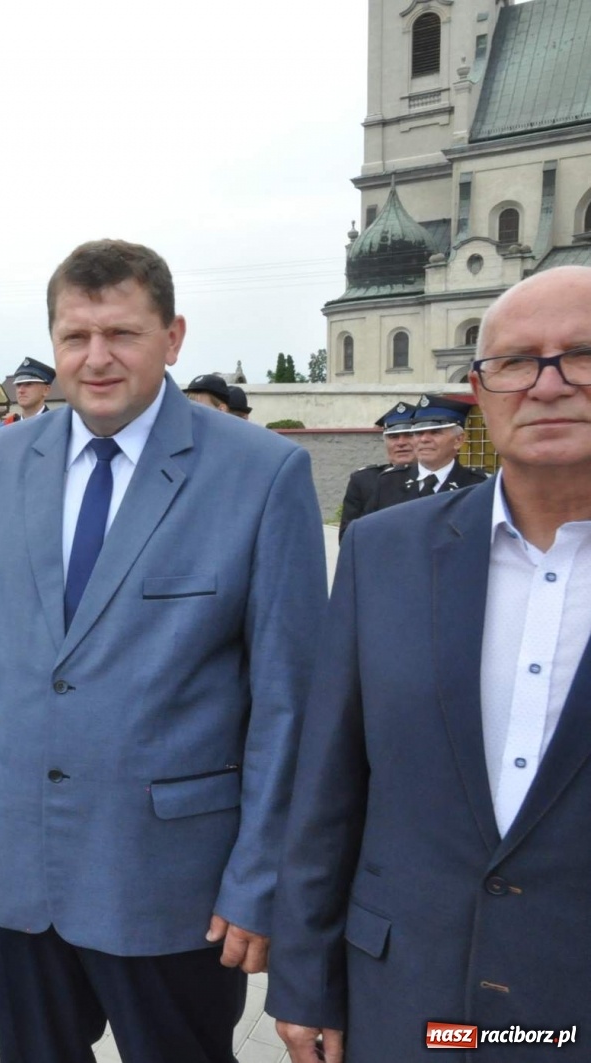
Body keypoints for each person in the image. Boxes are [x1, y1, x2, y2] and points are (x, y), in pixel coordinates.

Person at [0, 239, 328, 1063]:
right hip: (23, 870)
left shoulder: (263, 473)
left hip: (174, 886)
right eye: (75, 337)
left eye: (123, 334)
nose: (96, 357)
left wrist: (262, 880)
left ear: (172, 337)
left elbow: (289, 704)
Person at [268, 265, 591, 1062]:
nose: (547, 384)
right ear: (481, 388)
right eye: (516, 361)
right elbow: (330, 781)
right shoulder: (385, 552)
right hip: (409, 1000)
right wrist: (304, 978)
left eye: (582, 354)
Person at [362, 393, 487, 516]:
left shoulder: (478, 485)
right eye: (418, 433)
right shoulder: (389, 482)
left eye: (435, 432)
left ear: (458, 440)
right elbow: (370, 531)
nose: (424, 439)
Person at [337, 401, 416, 541]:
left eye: (409, 435)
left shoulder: (434, 479)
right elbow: (347, 538)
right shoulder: (364, 480)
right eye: (393, 437)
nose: (401, 442)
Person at [1, 357, 56, 426]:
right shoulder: (7, 426)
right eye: (18, 385)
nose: (21, 390)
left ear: (46, 390)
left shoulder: (56, 424)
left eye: (29, 384)